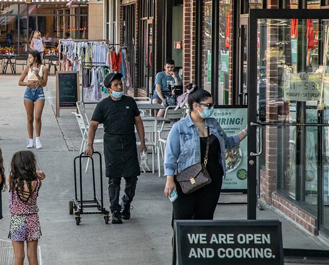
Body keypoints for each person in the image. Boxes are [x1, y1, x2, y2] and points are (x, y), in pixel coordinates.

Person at [164, 89, 247, 222]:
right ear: (196, 106)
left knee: (205, 218)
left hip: (212, 179)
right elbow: (170, 156)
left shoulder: (212, 123)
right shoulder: (179, 128)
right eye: (208, 105)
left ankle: (202, 244)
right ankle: (182, 243)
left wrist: (246, 131)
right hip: (188, 179)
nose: (211, 108)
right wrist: (169, 180)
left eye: (212, 105)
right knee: (182, 219)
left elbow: (227, 143)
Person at [85, 72, 147, 224]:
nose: (119, 87)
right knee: (114, 180)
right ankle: (115, 210)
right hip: (112, 144)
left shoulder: (130, 102)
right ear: (108, 89)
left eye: (120, 84)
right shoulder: (103, 105)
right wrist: (89, 145)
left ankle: (126, 202)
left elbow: (138, 121)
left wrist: (143, 142)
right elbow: (93, 125)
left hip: (129, 143)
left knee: (132, 179)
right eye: (115, 85)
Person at [1, 150, 45, 265]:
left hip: (18, 220)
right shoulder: (37, 182)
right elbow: (38, 176)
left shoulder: (12, 180)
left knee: (18, 256)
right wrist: (37, 173)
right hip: (33, 218)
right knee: (32, 255)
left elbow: (13, 177)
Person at [18, 49, 48, 149]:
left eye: (30, 57)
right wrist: (28, 83)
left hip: (39, 92)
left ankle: (38, 139)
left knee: (37, 117)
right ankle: (30, 140)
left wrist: (38, 75)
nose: (28, 59)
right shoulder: (27, 68)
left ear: (35, 58)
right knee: (29, 118)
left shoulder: (44, 68)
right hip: (29, 92)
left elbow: (44, 84)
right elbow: (20, 82)